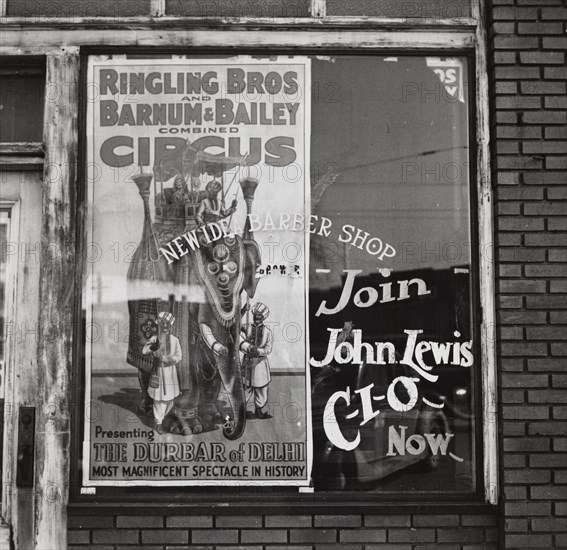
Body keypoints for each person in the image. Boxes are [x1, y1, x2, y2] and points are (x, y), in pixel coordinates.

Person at [142, 311, 181, 433]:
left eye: (167, 324)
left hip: (170, 373)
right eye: (162, 324)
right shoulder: (155, 338)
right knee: (158, 399)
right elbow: (144, 351)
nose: (165, 326)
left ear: (170, 326)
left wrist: (169, 359)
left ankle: (166, 420)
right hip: (158, 372)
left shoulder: (175, 340)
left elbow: (179, 356)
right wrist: (153, 346)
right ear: (159, 325)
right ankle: (158, 422)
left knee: (170, 399)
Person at [240, 302, 273, 419]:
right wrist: (243, 311)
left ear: (263, 317)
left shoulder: (268, 331)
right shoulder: (247, 327)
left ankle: (258, 410)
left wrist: (258, 351)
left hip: (260, 364)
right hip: (247, 362)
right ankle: (240, 411)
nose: (257, 317)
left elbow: (268, 349)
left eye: (259, 315)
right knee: (245, 387)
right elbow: (234, 326)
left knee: (261, 388)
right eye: (255, 315)